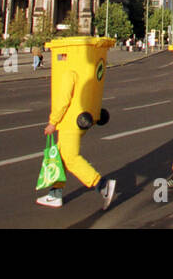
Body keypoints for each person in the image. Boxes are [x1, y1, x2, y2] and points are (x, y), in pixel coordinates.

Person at [38, 51, 116, 210]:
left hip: (69, 123)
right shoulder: (83, 72)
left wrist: (53, 122)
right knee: (61, 157)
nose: (60, 58)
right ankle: (55, 194)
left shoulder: (69, 73)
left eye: (62, 55)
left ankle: (101, 185)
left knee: (71, 158)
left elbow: (63, 100)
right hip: (81, 121)